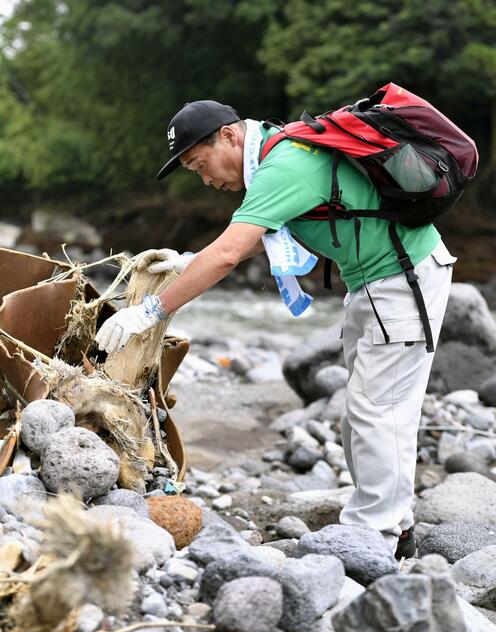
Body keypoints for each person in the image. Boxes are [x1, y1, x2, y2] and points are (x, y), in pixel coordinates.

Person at [96, 99, 456, 559]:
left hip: (401, 282)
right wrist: (189, 262)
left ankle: (373, 538)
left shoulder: (283, 164)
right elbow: (254, 234)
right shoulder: (277, 149)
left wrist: (150, 311)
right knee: (372, 411)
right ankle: (395, 526)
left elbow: (228, 253)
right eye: (194, 173)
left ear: (228, 136)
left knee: (375, 411)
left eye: (200, 164)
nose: (205, 179)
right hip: (377, 283)